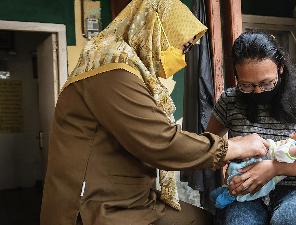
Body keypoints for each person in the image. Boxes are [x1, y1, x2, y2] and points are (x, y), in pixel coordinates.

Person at [40, 1, 269, 225]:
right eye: (184, 47)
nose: (183, 59)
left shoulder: (128, 71)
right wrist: (235, 147)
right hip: (98, 207)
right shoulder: (113, 74)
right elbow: (162, 142)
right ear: (156, 31)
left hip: (133, 199)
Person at [207, 31, 296, 225]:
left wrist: (275, 168)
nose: (258, 91)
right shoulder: (230, 100)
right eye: (246, 85)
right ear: (236, 75)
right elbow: (207, 147)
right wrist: (232, 152)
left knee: (293, 218)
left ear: (280, 68)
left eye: (266, 83)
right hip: (245, 190)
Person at [211, 121, 296, 209]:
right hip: (260, 163)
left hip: (266, 178)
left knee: (243, 182)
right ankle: (226, 191)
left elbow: (280, 154)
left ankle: (228, 195)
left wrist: (291, 152)